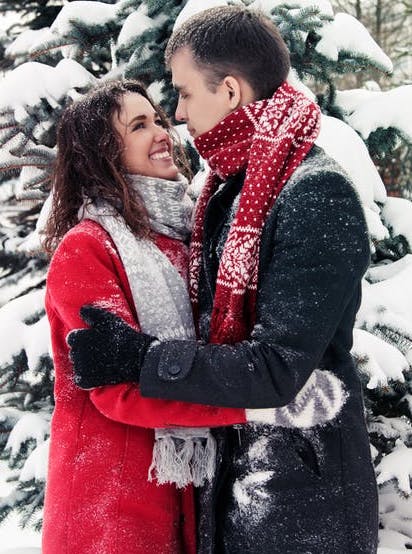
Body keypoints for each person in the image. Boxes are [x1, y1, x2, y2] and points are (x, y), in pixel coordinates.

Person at [68, 7, 379, 554]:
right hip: (234, 493)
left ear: (230, 91)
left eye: (184, 95)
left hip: (301, 507)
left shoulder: (313, 193)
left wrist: (142, 359)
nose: (179, 115)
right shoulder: (226, 194)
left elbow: (279, 368)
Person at [43, 78, 300, 554]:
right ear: (101, 155)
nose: (163, 132)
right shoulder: (87, 248)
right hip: (112, 504)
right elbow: (119, 386)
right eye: (139, 126)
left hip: (187, 490)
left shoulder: (188, 235)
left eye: (159, 119)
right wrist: (260, 401)